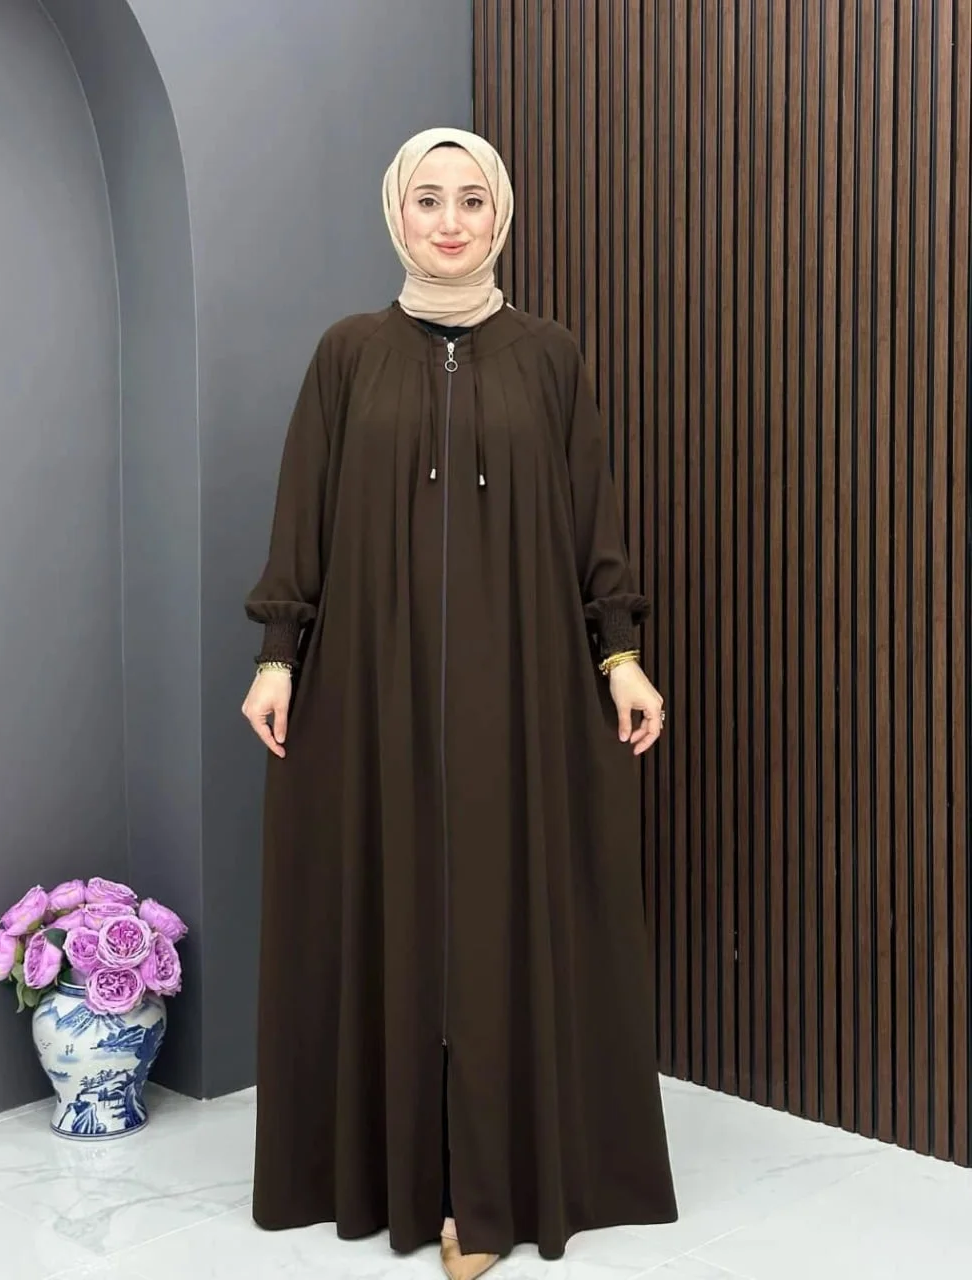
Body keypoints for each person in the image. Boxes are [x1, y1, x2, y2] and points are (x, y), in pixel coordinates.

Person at [242, 127, 677, 1279]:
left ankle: (487, 1193)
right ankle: (403, 1177)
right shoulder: (348, 354)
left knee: (496, 921)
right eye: (427, 198)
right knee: (396, 911)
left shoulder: (549, 355)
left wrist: (620, 654)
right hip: (372, 684)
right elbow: (302, 509)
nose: (449, 220)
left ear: (501, 215)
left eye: (471, 199)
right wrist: (279, 654)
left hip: (519, 685)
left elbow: (590, 518)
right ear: (396, 213)